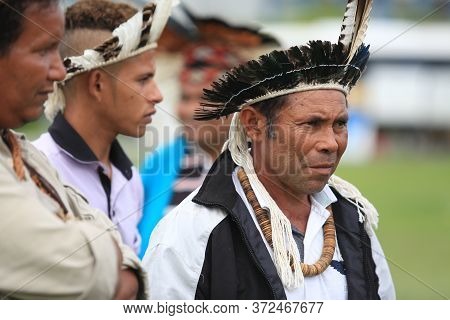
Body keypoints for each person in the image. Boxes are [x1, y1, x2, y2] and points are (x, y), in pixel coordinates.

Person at [143, 0, 396, 299]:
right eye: (311, 123)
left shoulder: (355, 220)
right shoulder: (190, 230)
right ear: (252, 123)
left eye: (340, 124)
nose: (330, 142)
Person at [0, 0, 148, 299]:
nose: (58, 70)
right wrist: (111, 265)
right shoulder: (47, 159)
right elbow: (87, 273)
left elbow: (122, 270)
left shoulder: (28, 157)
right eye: (42, 50)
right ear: (97, 84)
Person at [33, 0, 170, 255]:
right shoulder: (36, 172)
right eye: (143, 79)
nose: (157, 95)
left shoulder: (130, 180)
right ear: (97, 84)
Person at [139, 12, 279, 256]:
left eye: (203, 99)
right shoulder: (160, 164)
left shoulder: (270, 163)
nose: (188, 110)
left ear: (239, 104)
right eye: (185, 97)